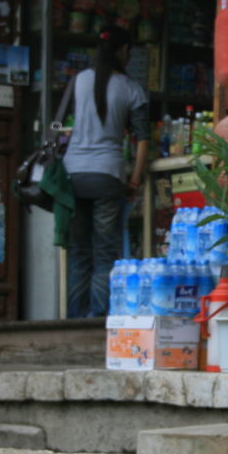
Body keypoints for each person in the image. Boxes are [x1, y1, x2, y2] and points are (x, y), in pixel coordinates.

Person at [62, 26, 149, 318]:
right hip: (107, 176)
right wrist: (135, 179)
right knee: (104, 253)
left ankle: (74, 318)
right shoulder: (131, 88)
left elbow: (59, 125)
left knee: (79, 252)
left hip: (73, 175)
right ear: (124, 51)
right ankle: (97, 317)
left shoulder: (79, 81)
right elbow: (142, 139)